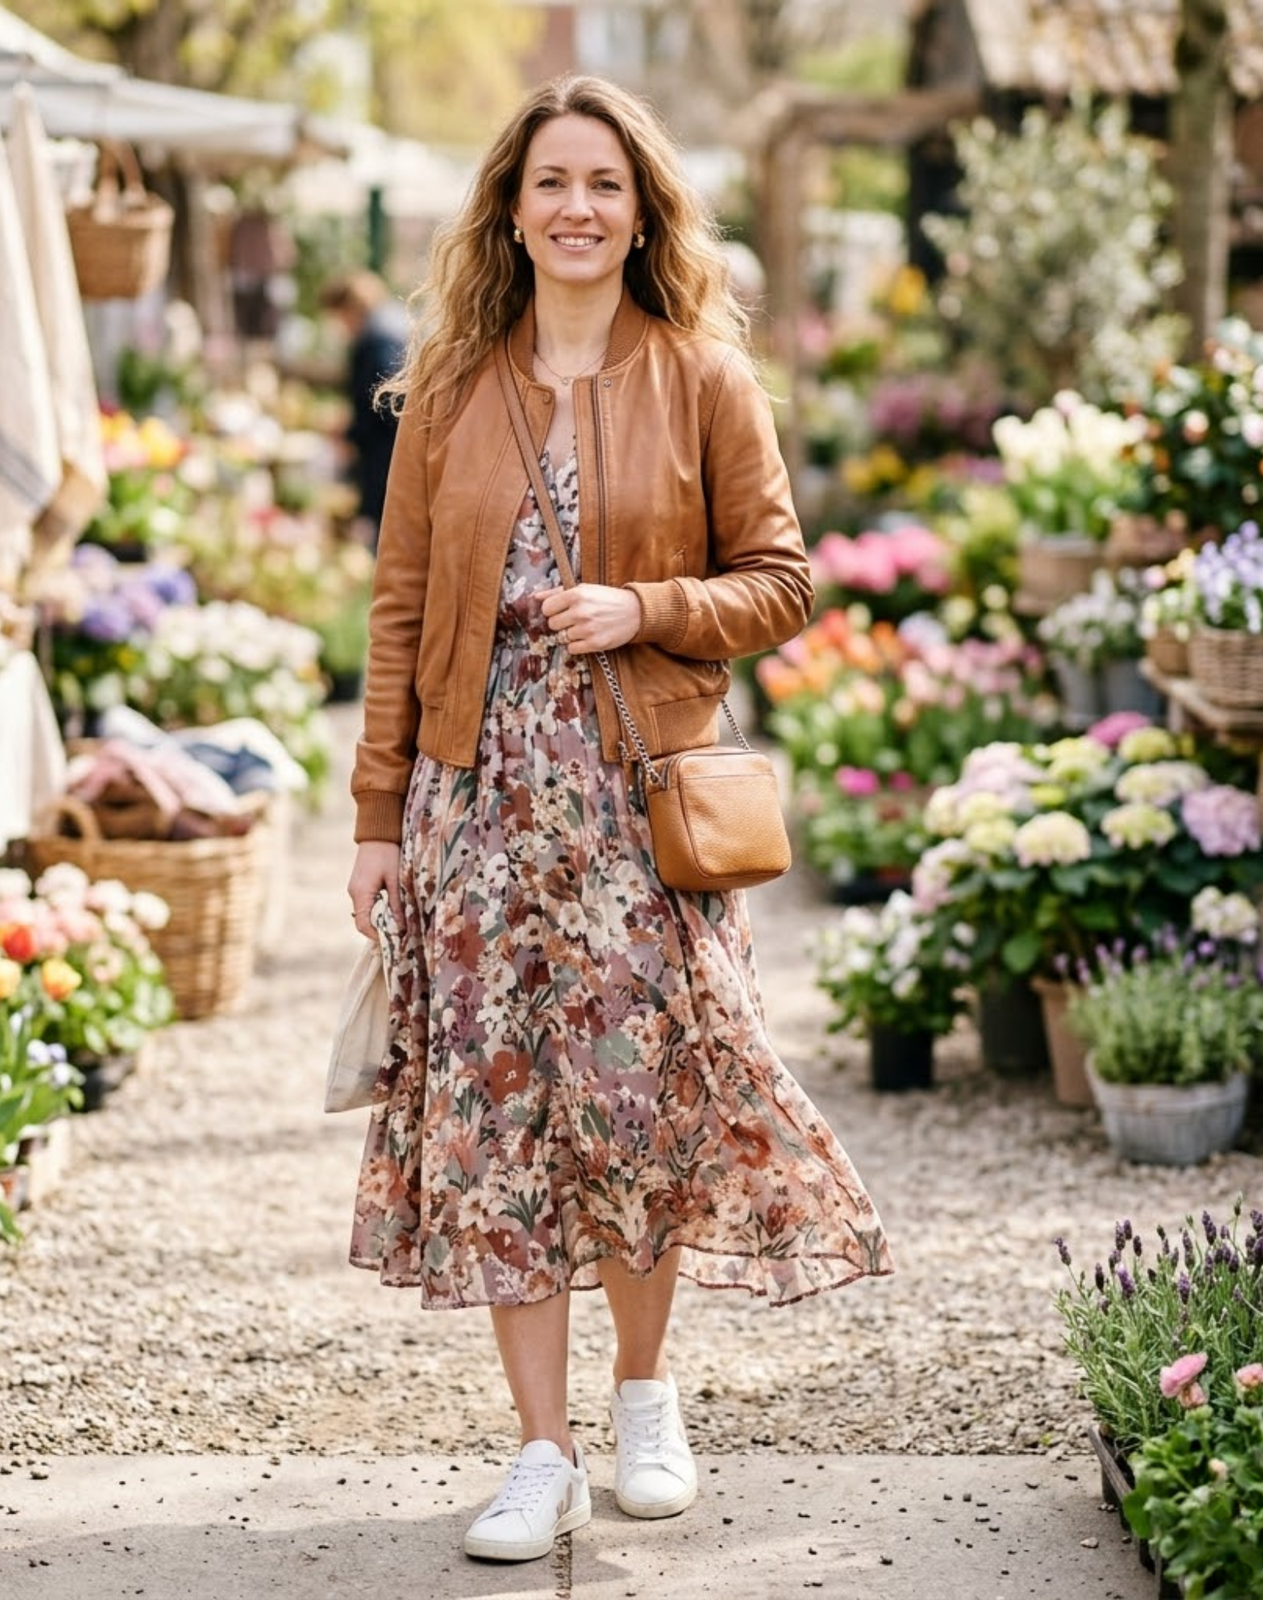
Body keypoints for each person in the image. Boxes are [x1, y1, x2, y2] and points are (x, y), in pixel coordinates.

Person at [344, 74, 892, 1567]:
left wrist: (644, 606)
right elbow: (398, 613)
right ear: (510, 215)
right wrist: (377, 812)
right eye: (550, 184)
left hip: (639, 809)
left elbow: (780, 580)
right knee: (499, 1116)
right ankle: (542, 1452)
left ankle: (646, 1402)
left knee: (644, 1102)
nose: (576, 208)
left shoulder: (705, 377)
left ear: (640, 207)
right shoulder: (448, 390)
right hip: (477, 808)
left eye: (604, 183)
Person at [319, 269, 408, 547]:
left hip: (384, 454)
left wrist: (352, 433)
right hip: (392, 449)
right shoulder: (393, 328)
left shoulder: (375, 343)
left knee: (382, 525)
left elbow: (382, 401)